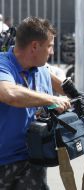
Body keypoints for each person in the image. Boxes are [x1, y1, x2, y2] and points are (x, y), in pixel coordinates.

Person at [0, 16, 71, 189]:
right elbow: (9, 94)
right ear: (34, 46)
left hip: (33, 161)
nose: (52, 52)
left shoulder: (43, 70)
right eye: (50, 46)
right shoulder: (3, 64)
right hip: (3, 163)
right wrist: (52, 99)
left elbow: (67, 90)